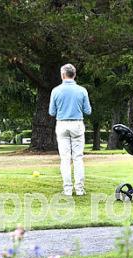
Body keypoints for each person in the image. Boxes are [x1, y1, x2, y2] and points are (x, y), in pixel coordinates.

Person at [48, 63, 92, 196]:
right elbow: (88, 111)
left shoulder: (56, 90)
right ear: (74, 75)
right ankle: (79, 189)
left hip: (62, 124)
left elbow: (51, 112)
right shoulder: (82, 90)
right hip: (77, 124)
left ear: (62, 75)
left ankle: (67, 189)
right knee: (78, 158)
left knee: (65, 158)